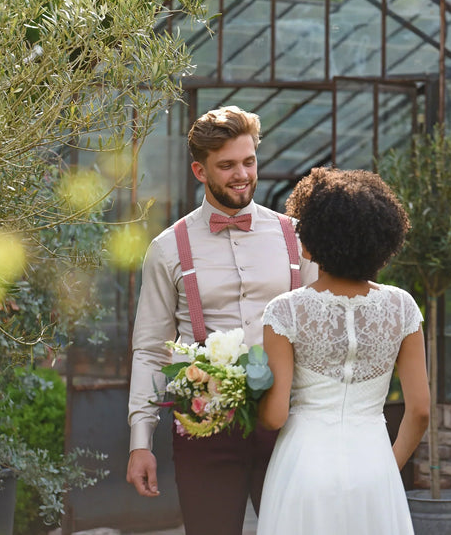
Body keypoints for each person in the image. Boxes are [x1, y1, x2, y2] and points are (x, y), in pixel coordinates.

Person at [126, 105, 317, 535]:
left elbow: (319, 331)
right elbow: (151, 351)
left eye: (248, 162)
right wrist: (141, 443)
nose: (242, 175)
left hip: (287, 424)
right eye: (227, 165)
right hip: (203, 429)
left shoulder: (298, 236)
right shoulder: (167, 248)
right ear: (200, 170)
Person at [257, 166, 430, 535]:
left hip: (303, 468)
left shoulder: (285, 311)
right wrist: (387, 465)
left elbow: (274, 416)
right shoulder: (403, 307)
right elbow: (420, 411)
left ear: (311, 242)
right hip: (373, 466)